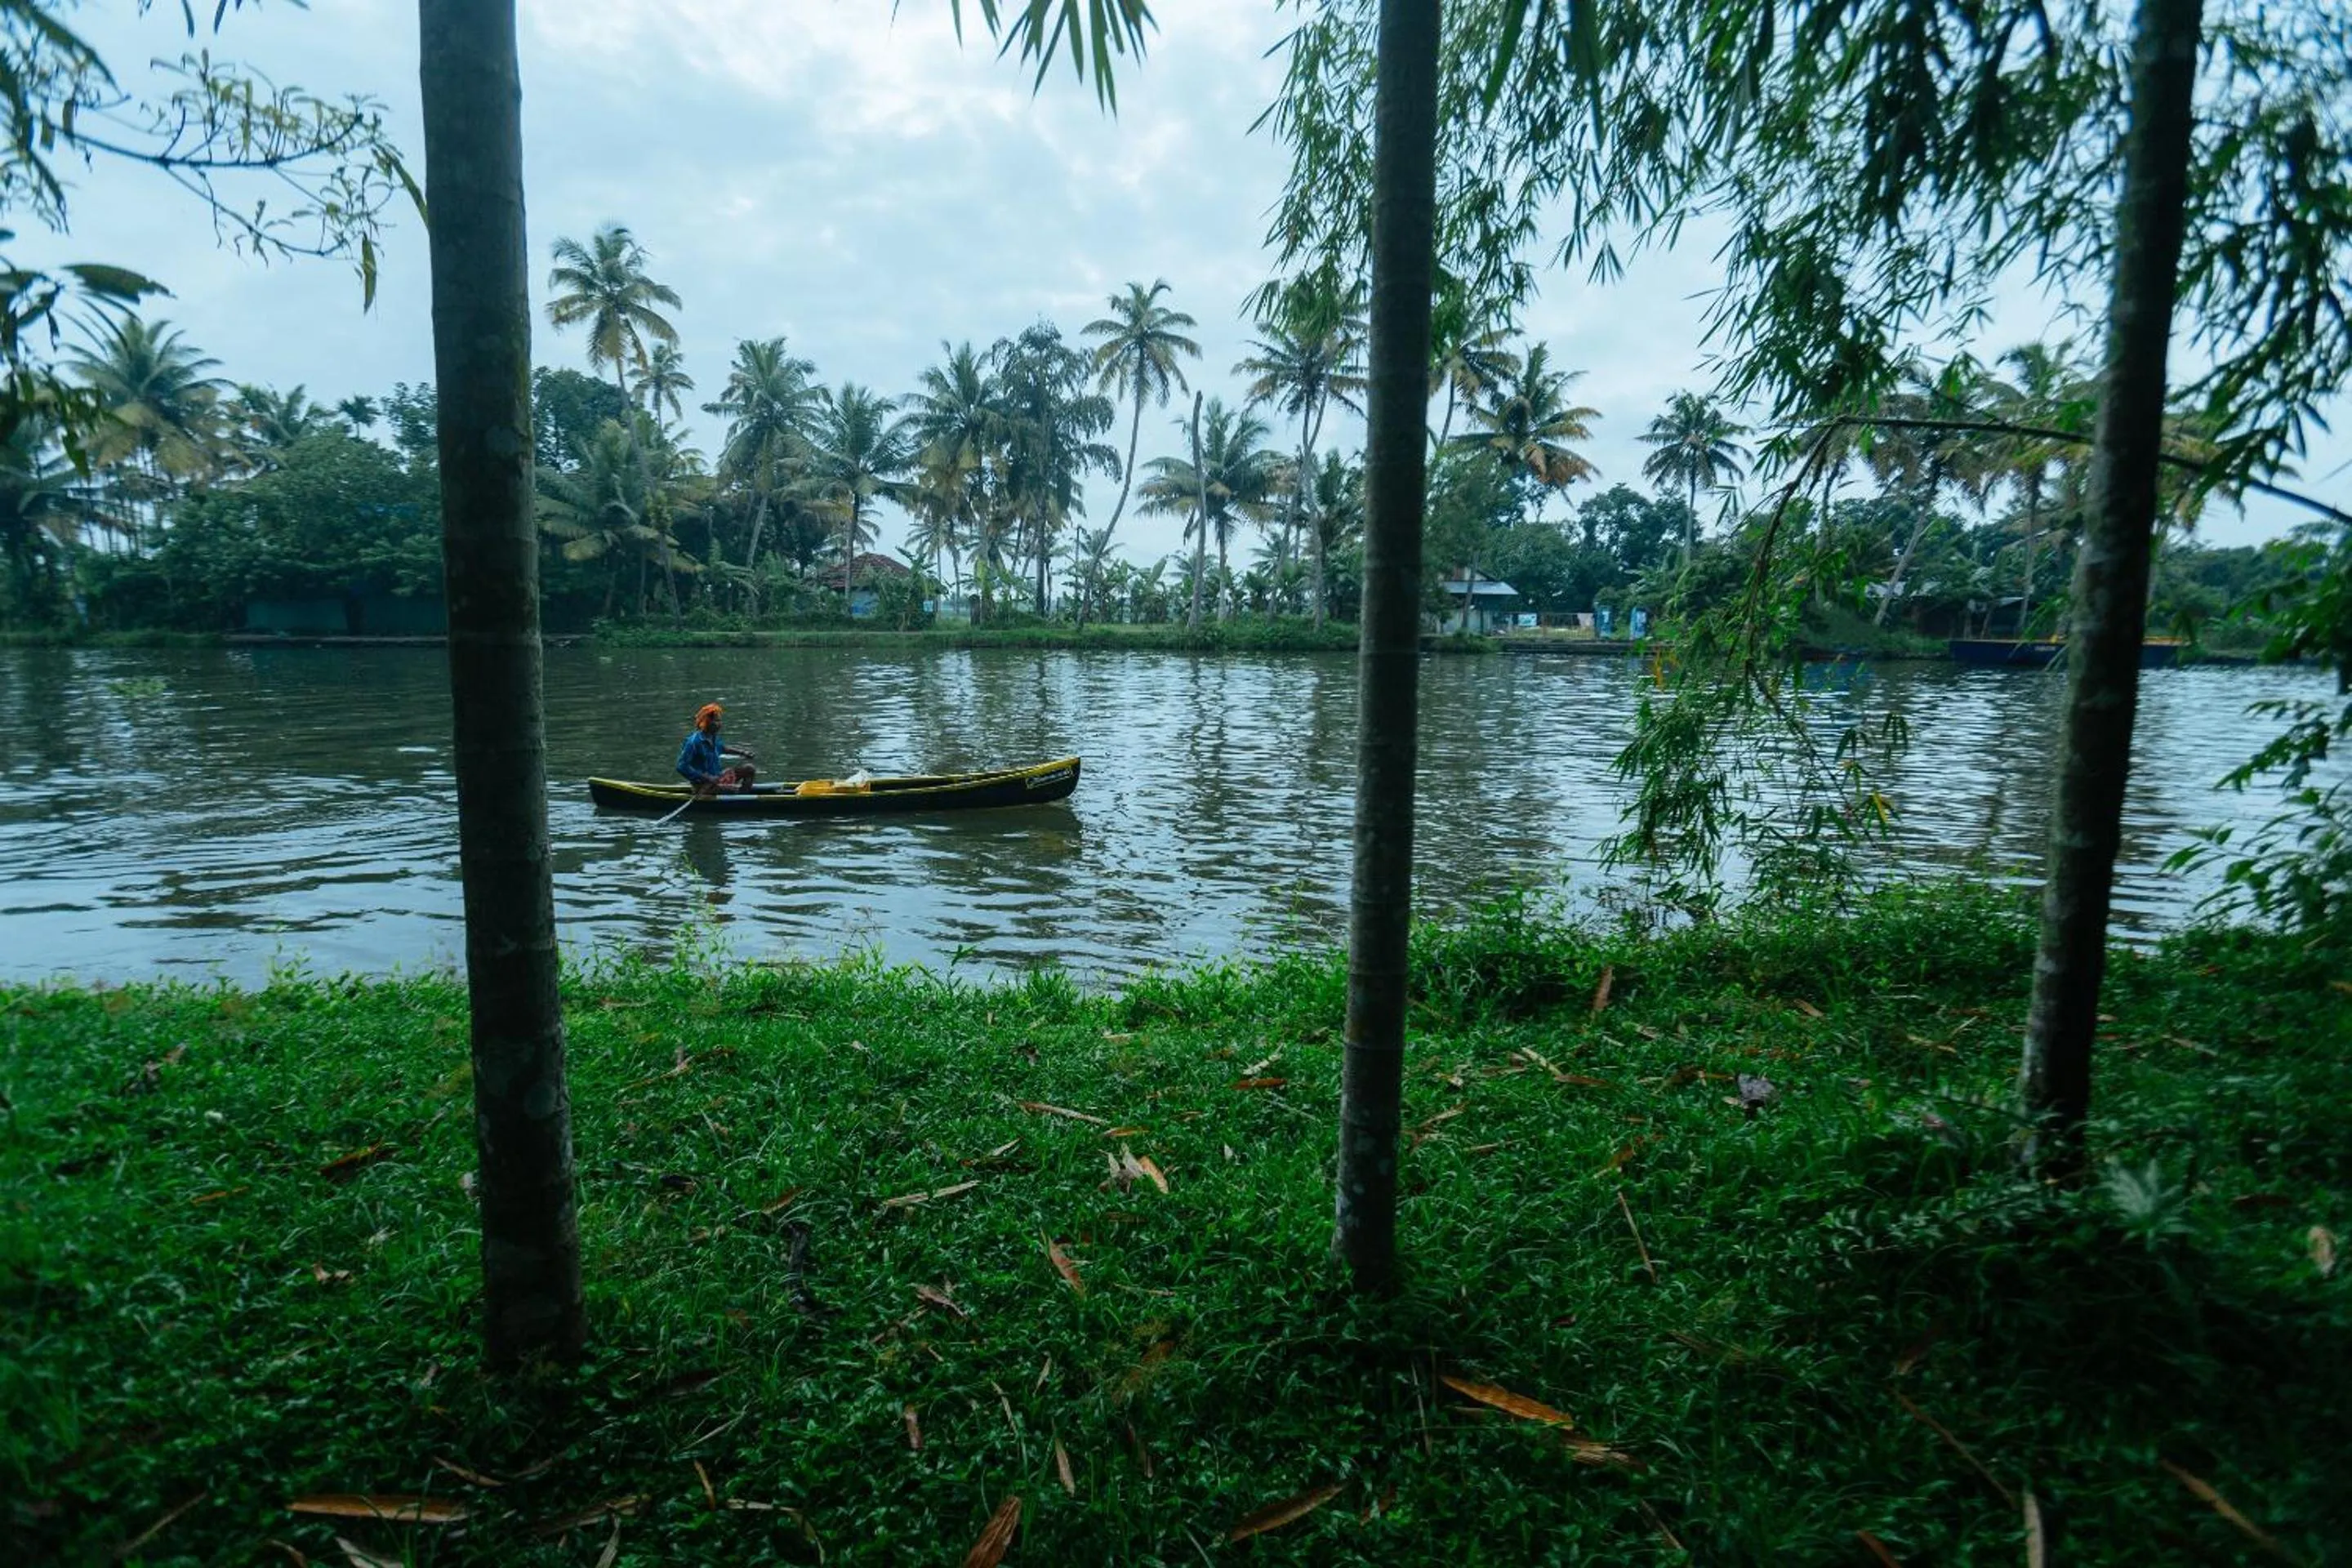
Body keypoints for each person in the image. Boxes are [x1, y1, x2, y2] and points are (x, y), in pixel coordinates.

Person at [677, 702, 758, 795]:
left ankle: (743, 798)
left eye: (720, 721)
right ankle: (741, 798)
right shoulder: (694, 742)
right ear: (706, 722)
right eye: (716, 721)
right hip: (703, 787)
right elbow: (682, 766)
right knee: (733, 790)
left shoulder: (713, 737)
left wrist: (743, 753)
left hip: (718, 779)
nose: (719, 724)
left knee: (749, 769)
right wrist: (707, 778)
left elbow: (723, 748)